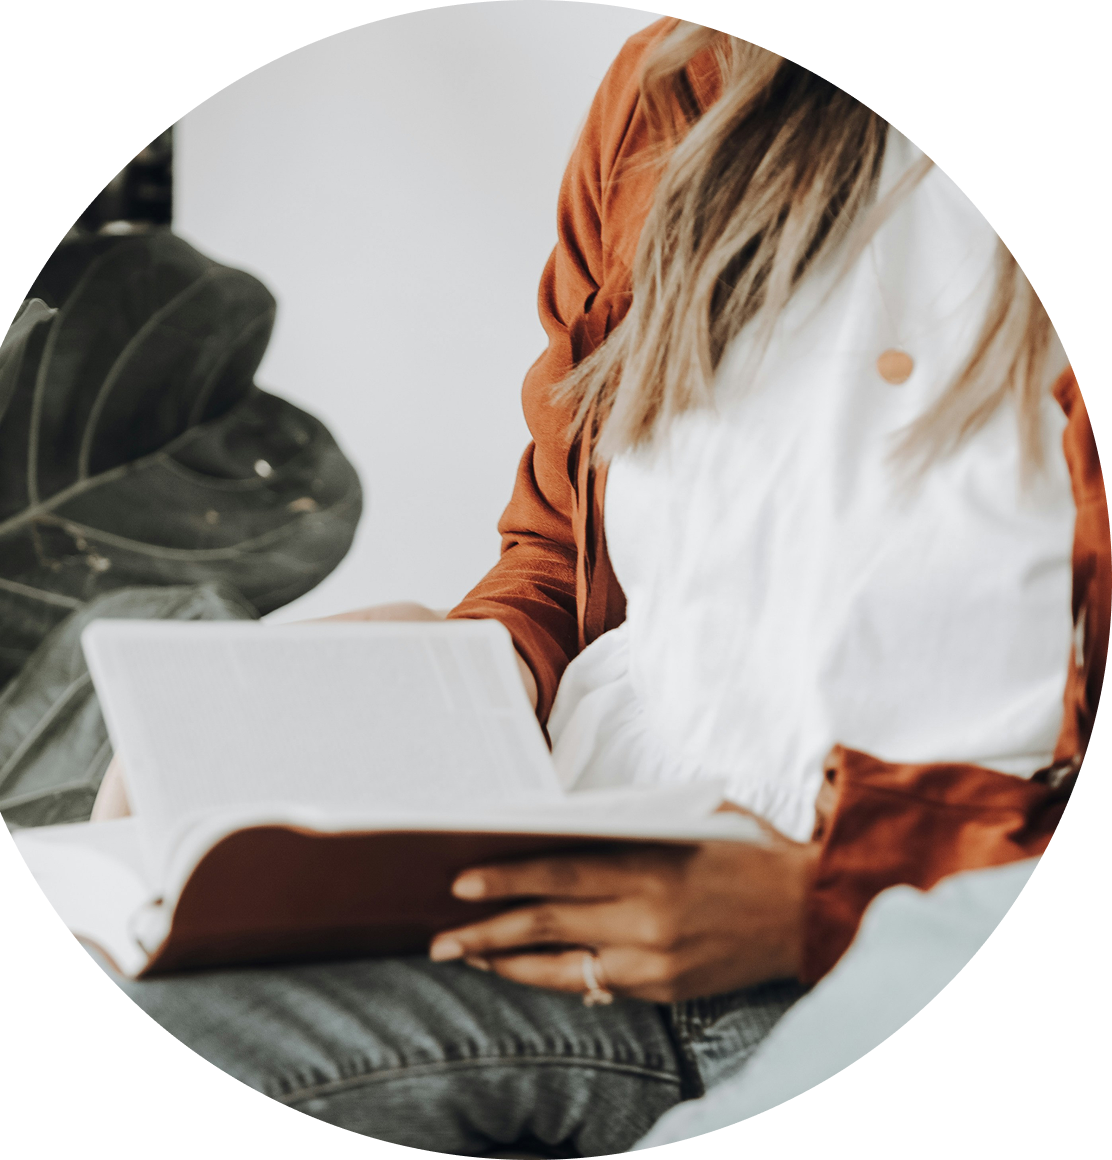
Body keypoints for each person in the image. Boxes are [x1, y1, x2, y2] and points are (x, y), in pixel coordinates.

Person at [86, 17, 1103, 1155]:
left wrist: (814, 901)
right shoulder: (681, 87)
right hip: (576, 882)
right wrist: (450, 668)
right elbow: (567, 552)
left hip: (888, 957)